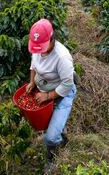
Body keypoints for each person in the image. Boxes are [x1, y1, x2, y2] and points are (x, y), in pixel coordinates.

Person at [26, 19, 77, 168]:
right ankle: (60, 133)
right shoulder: (37, 49)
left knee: (50, 137)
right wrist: (32, 82)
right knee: (48, 124)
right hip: (44, 88)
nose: (39, 51)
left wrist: (48, 96)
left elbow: (67, 85)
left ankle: (52, 157)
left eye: (43, 46)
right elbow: (33, 66)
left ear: (52, 38)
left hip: (63, 93)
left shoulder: (62, 57)